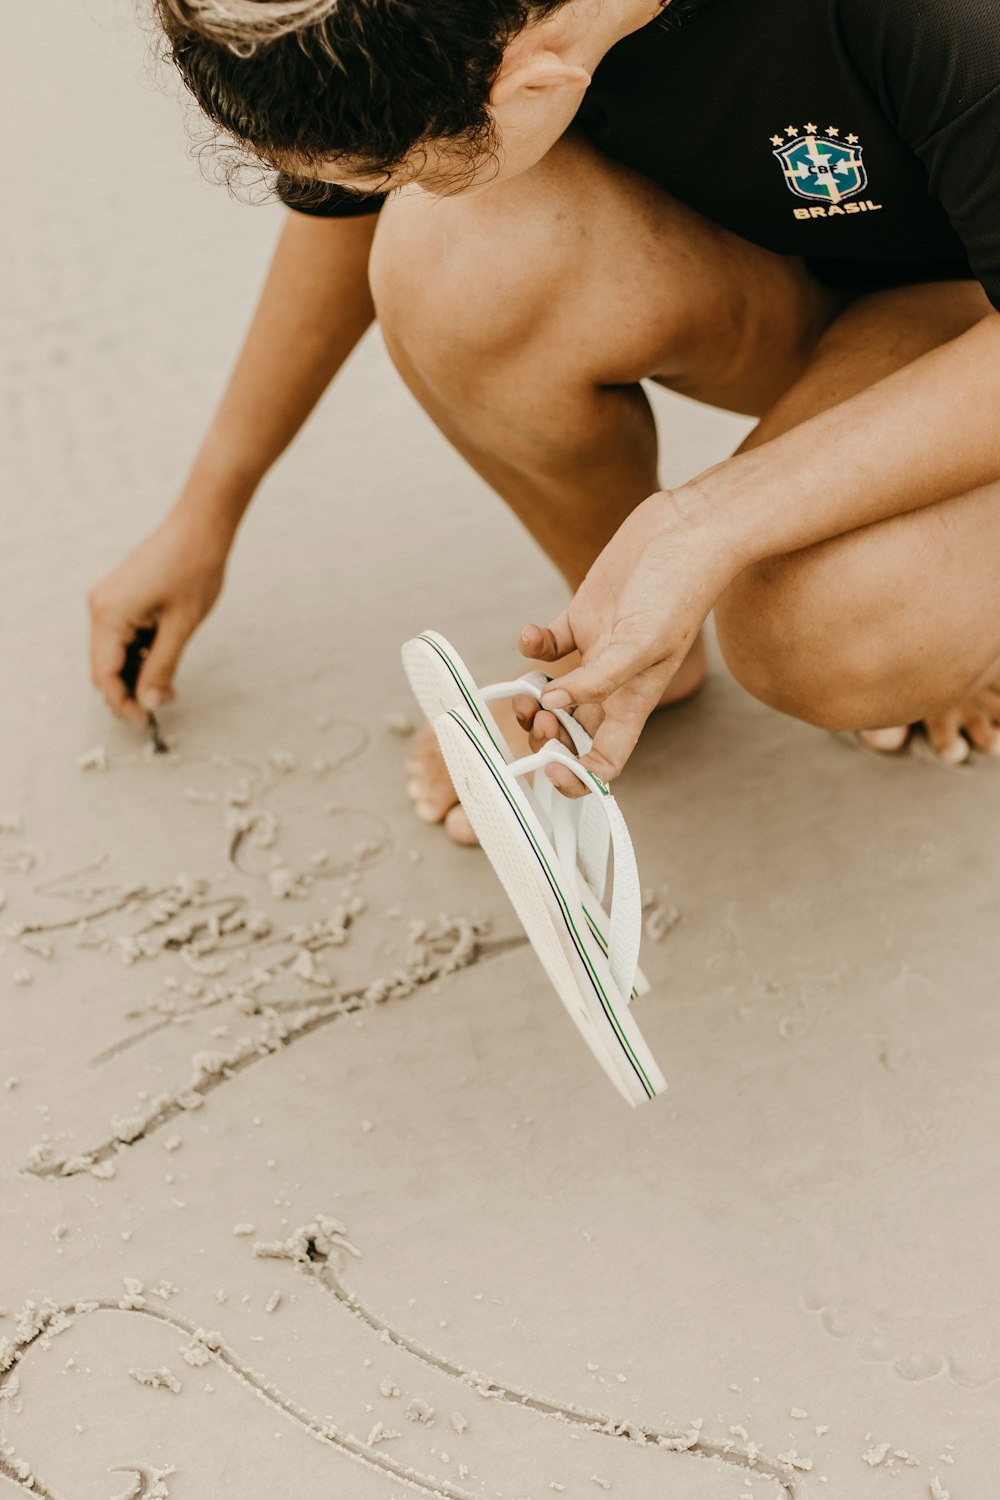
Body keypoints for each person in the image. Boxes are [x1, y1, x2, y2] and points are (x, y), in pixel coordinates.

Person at [89, 0, 1000, 839]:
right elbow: (345, 200)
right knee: (449, 256)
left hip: (969, 303)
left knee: (825, 628)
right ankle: (625, 651)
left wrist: (711, 520)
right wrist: (209, 506)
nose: (391, 194)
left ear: (540, 83)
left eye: (412, 173)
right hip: (799, 258)